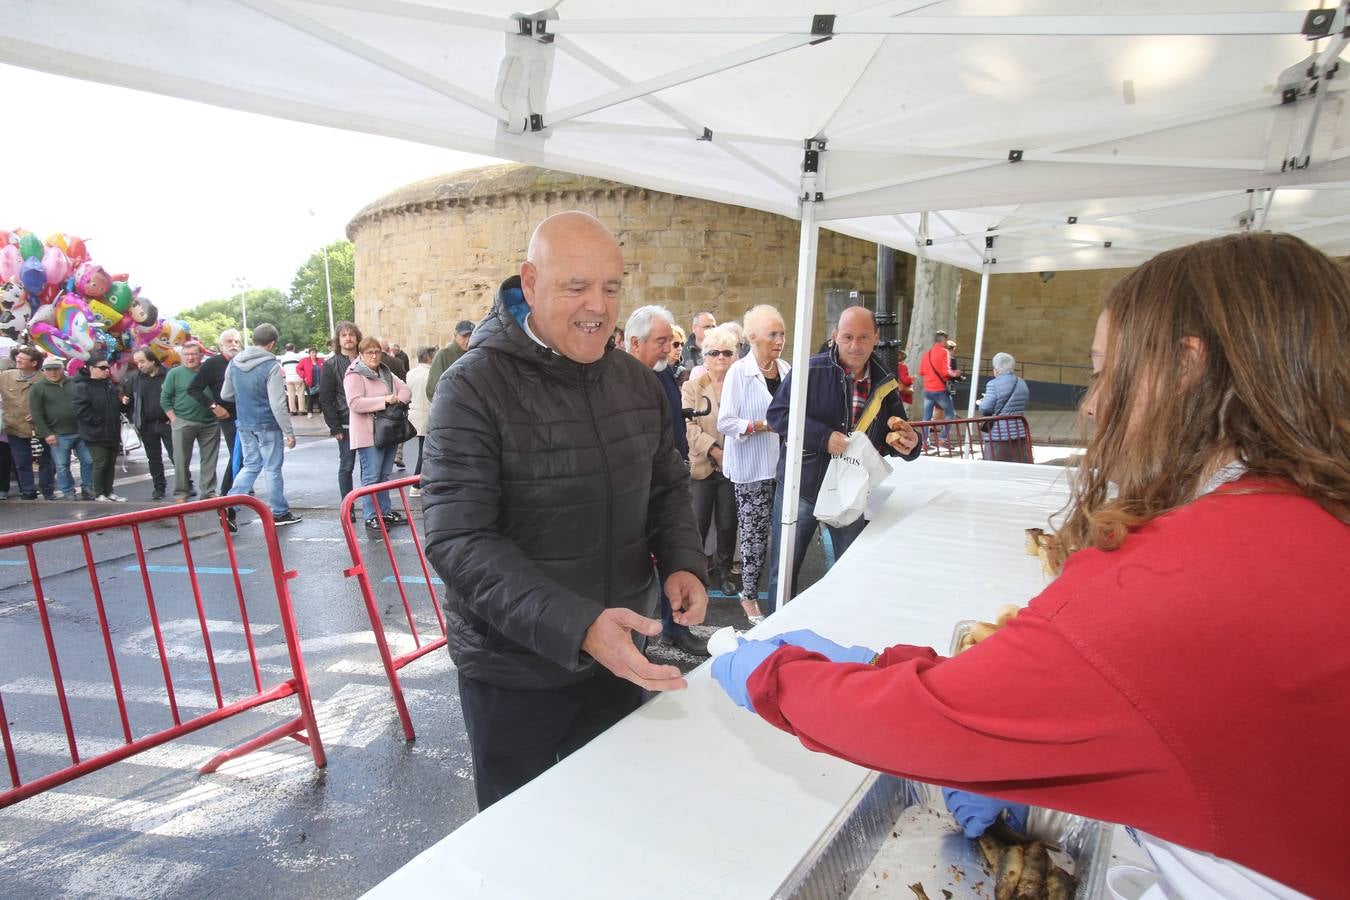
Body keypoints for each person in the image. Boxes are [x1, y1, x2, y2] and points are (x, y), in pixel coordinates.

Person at [712, 232, 1350, 900]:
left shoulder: (1193, 570)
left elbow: (932, 725)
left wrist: (777, 677)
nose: (1093, 404)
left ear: (1185, 367)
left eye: (1107, 372)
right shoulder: (1305, 520)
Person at [421, 211, 707, 811]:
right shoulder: (473, 387)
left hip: (622, 654)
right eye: (575, 286)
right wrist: (578, 626)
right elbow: (459, 538)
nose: (596, 306)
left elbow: (666, 486)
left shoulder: (635, 382)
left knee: (610, 819)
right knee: (520, 839)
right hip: (514, 670)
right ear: (529, 283)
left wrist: (683, 559)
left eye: (610, 287)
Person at [766, 306, 921, 601]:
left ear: (876, 337)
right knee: (783, 573)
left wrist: (911, 443)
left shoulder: (885, 381)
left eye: (863, 337)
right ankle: (777, 638)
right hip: (803, 486)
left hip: (850, 490)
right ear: (835, 336)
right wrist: (823, 438)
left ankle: (839, 637)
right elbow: (777, 415)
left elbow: (895, 435)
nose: (855, 345)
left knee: (851, 571)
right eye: (848, 337)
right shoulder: (810, 370)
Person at [626, 305, 706, 657]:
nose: (668, 349)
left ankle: (673, 627)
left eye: (670, 341)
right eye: (661, 341)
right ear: (634, 342)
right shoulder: (620, 383)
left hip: (668, 479)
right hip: (642, 490)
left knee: (673, 560)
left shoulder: (662, 374)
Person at [717, 304, 789, 625]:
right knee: (754, 535)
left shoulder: (785, 369)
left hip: (782, 466)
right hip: (751, 468)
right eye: (773, 334)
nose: (780, 340)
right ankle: (749, 596)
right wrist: (763, 425)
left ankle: (781, 594)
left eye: (782, 334)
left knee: (784, 533)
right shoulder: (738, 372)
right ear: (753, 336)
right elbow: (727, 422)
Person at [222, 323, 302, 530]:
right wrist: (289, 432)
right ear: (272, 343)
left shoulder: (234, 363)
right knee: (272, 469)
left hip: (245, 423)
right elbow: (277, 403)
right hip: (267, 424)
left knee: (250, 466)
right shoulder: (271, 366)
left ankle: (228, 504)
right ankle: (279, 512)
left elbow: (226, 395)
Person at [683, 324, 739, 596]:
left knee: (728, 524)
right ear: (705, 356)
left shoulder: (739, 388)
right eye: (714, 352)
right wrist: (716, 451)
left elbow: (743, 424)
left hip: (732, 468)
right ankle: (695, 575)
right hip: (704, 466)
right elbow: (689, 427)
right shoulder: (692, 386)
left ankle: (725, 571)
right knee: (698, 524)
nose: (720, 357)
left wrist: (728, 455)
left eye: (727, 352)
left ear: (734, 357)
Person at [344, 337, 412, 534]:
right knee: (371, 477)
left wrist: (397, 399)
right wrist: (385, 401)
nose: (374, 356)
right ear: (361, 355)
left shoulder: (384, 370)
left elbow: (405, 389)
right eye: (369, 352)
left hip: (387, 431)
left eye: (377, 352)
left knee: (384, 475)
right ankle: (371, 516)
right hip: (368, 434)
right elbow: (355, 403)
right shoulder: (354, 375)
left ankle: (384, 512)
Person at [161, 342, 219, 503]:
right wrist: (174, 419)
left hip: (210, 422)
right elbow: (165, 398)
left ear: (201, 355)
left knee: (209, 459)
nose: (190, 357)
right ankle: (181, 492)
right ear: (181, 356)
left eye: (194, 354)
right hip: (183, 421)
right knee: (180, 459)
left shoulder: (208, 371)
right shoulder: (174, 373)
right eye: (186, 354)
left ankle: (208, 491)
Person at [29, 357, 94, 500]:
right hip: (57, 434)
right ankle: (68, 491)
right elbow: (36, 413)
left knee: (88, 461)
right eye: (49, 370)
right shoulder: (38, 388)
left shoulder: (74, 383)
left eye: (56, 369)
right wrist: (47, 433)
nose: (53, 372)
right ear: (44, 371)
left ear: (62, 369)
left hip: (80, 430)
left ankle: (88, 487)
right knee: (62, 465)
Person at [188, 328, 242, 495]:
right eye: (229, 341)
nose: (233, 344)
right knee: (237, 455)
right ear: (221, 345)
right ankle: (226, 495)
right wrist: (213, 407)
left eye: (236, 341)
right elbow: (194, 389)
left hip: (247, 415)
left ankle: (240, 485)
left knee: (248, 456)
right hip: (227, 416)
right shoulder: (212, 364)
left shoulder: (242, 361)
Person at [0, 345, 56, 500]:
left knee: (46, 459)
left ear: (34, 363)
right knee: (21, 461)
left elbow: (54, 401)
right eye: (18, 357)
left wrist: (39, 413)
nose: (18, 359)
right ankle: (27, 491)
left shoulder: (44, 378)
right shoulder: (6, 376)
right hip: (14, 424)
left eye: (23, 358)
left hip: (41, 426)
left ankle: (47, 489)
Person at [319, 322, 361, 518]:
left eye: (351, 334)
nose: (348, 338)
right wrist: (334, 426)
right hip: (345, 423)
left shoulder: (365, 360)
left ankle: (374, 510)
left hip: (367, 421)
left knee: (371, 469)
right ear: (339, 340)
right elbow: (326, 399)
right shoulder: (330, 365)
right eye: (344, 335)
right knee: (346, 466)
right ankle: (348, 508)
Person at [122, 349, 173, 500]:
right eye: (137, 362)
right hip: (147, 424)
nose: (139, 365)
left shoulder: (168, 374)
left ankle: (186, 484)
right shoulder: (136, 378)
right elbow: (129, 396)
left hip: (167, 422)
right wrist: (125, 400)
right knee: (153, 458)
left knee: (176, 454)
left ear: (152, 360)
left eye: (142, 361)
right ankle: (159, 487)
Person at [72, 356, 125, 502]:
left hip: (112, 430)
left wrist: (123, 403)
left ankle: (109, 491)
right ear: (91, 369)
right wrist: (97, 421)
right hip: (94, 433)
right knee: (100, 463)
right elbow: (80, 410)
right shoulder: (83, 386)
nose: (106, 370)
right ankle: (99, 492)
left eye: (107, 368)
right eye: (102, 368)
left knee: (110, 463)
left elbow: (115, 405)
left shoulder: (108, 385)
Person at [977, 351, 1031, 463]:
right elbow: (1024, 402)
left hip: (999, 434)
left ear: (996, 369)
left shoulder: (993, 384)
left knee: (994, 469)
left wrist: (981, 402)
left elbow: (986, 408)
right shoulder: (1021, 382)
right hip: (1019, 433)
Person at [918, 329, 961, 444]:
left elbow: (922, 371)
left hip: (928, 389)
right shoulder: (944, 352)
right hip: (939, 389)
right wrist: (955, 373)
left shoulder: (928, 353)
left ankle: (924, 440)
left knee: (926, 417)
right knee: (950, 414)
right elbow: (946, 371)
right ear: (943, 341)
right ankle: (942, 438)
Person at [404, 346, 434, 498]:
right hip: (427, 415)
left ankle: (420, 482)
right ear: (428, 357)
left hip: (415, 415)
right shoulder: (431, 374)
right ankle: (416, 484)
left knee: (423, 450)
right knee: (424, 452)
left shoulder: (411, 373)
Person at [425, 319, 475, 402]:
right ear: (455, 335)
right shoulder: (444, 355)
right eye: (464, 336)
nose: (468, 341)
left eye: (471, 336)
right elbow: (432, 389)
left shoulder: (476, 354)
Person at [279, 342, 306, 415]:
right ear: (293, 348)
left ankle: (293, 411)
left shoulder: (283, 358)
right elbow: (302, 365)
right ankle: (302, 410)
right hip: (298, 377)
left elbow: (283, 368)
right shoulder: (298, 356)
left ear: (286, 349)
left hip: (288, 378)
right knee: (300, 394)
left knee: (291, 395)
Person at [295, 347, 323, 418]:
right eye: (312, 352)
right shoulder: (305, 360)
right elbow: (298, 368)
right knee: (311, 397)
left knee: (321, 397)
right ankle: (309, 412)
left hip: (320, 382)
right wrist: (304, 376)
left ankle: (322, 411)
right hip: (310, 382)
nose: (314, 354)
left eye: (315, 352)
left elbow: (325, 368)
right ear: (309, 353)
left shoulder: (320, 360)